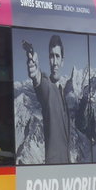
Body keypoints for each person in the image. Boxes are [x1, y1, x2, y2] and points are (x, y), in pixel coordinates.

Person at [26, 34, 72, 164]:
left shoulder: (62, 91)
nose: (54, 62)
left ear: (62, 61)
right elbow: (40, 83)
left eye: (57, 56)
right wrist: (35, 75)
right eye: (51, 56)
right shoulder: (48, 88)